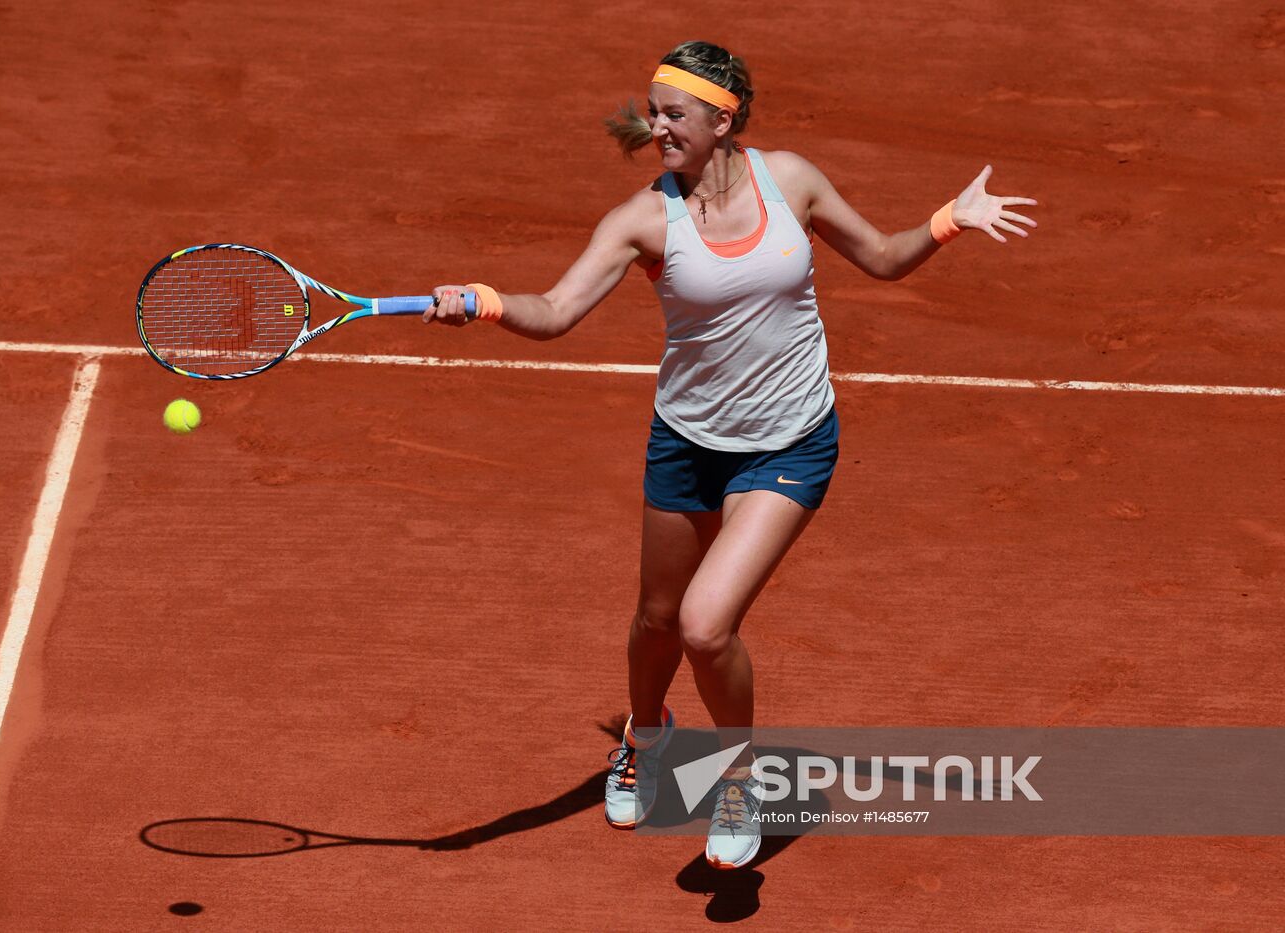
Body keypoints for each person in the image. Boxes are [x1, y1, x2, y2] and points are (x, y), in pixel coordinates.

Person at [424, 40, 1037, 870]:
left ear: (724, 117)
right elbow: (558, 308)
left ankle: (744, 779)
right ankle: (647, 737)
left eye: (674, 114)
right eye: (652, 112)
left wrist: (948, 220)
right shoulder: (644, 219)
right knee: (656, 622)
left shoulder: (791, 180)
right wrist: (487, 302)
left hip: (791, 443)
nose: (657, 127)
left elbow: (885, 259)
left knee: (707, 626)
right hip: (686, 442)